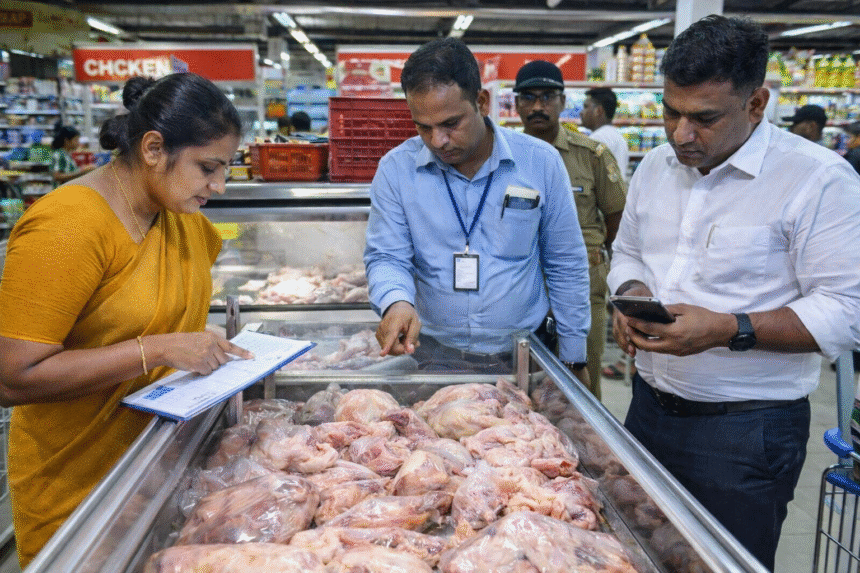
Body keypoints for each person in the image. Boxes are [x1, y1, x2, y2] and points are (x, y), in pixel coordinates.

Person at [607, 15, 860, 569]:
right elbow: (626, 250)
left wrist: (729, 328)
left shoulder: (818, 180)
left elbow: (846, 312)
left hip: (747, 434)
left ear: (756, 103)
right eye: (671, 111)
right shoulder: (656, 165)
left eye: (704, 118)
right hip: (647, 410)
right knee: (634, 552)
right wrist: (632, 293)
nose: (680, 134)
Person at [0, 72, 253, 567]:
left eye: (225, 168)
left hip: (156, 466)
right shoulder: (68, 226)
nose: (218, 186)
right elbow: (12, 375)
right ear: (154, 148)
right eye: (207, 167)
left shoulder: (180, 219)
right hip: (80, 487)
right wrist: (158, 349)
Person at [364, 38, 591, 382]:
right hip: (432, 356)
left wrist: (574, 356)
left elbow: (565, 261)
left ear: (482, 102)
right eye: (423, 127)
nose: (437, 140)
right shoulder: (396, 170)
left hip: (525, 354)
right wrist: (396, 301)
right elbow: (387, 256)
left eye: (451, 124)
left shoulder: (539, 162)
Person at [513, 60, 626, 398]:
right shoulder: (503, 156)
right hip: (520, 284)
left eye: (547, 97)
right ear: (516, 102)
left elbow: (617, 218)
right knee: (522, 381)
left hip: (583, 284)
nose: (537, 107)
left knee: (582, 381)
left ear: (563, 102)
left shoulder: (590, 155)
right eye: (528, 97)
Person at [580, 87, 630, 181]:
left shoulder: (597, 138)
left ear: (598, 111)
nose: (581, 112)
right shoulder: (618, 137)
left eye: (586, 107)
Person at [50, 124, 96, 188]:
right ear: (66, 141)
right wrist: (81, 172)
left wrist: (82, 169)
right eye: (76, 140)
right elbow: (57, 176)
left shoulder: (67, 154)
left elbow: (68, 171)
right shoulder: (59, 155)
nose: (78, 143)